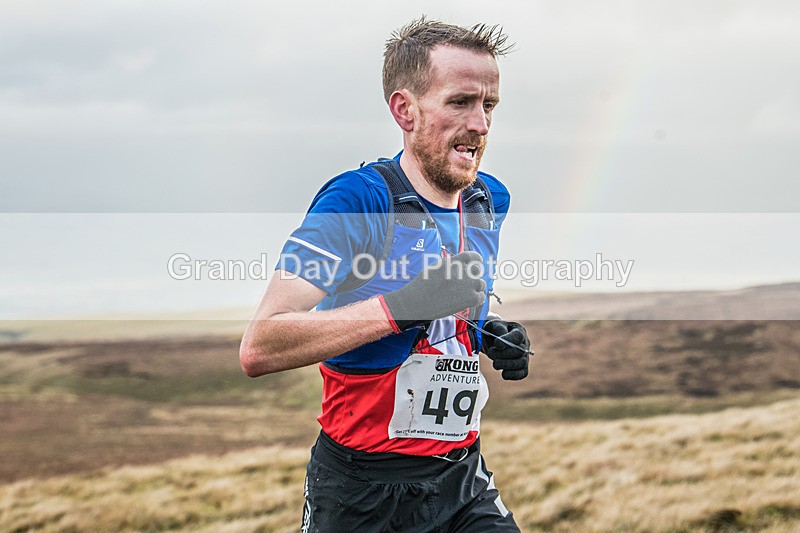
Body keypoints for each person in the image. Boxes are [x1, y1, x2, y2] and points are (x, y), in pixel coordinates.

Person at [240, 17, 531, 532]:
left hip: (461, 479)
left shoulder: (490, 199)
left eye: (489, 106)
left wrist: (486, 335)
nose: (481, 125)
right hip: (360, 491)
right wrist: (402, 307)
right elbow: (261, 344)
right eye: (460, 102)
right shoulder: (357, 201)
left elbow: (445, 309)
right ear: (405, 110)